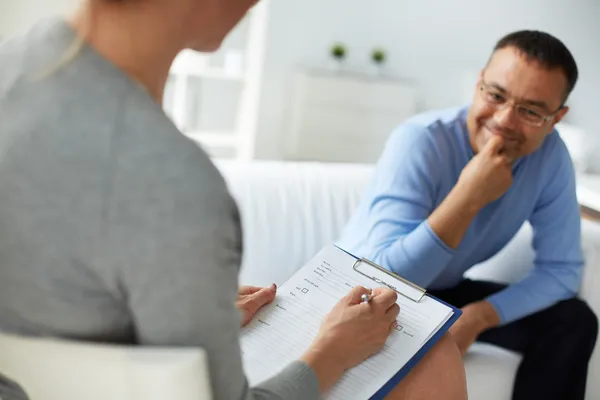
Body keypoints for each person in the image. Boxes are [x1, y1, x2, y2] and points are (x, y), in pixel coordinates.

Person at [0, 0, 468, 399]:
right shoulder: (171, 179)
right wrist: (334, 349)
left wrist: (195, 304)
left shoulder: (13, 64)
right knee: (433, 360)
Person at [337, 30, 599, 400]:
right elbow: (385, 278)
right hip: (361, 291)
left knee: (572, 321)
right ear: (479, 84)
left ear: (556, 118)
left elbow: (561, 270)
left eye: (530, 111)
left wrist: (480, 316)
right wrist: (468, 197)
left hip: (441, 294)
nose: (505, 120)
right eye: (496, 95)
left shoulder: (550, 158)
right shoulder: (420, 140)